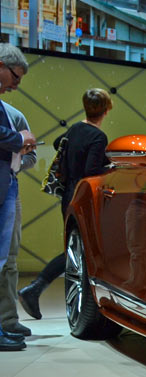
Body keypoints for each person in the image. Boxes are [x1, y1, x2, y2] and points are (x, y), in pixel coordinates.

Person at [18, 88, 113, 321]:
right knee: (80, 249)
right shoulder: (98, 137)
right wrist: (111, 168)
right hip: (83, 198)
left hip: (67, 196)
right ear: (107, 109)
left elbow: (58, 142)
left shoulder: (75, 129)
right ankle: (35, 289)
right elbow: (91, 171)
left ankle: (37, 290)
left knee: (76, 247)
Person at [0, 44, 37, 351]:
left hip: (9, 185)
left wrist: (16, 165)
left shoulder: (14, 114)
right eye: (15, 77)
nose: (16, 85)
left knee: (8, 260)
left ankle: (8, 320)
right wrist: (18, 143)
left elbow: (32, 155)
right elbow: (21, 143)